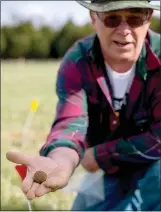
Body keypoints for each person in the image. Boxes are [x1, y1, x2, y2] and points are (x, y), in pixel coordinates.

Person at [6, 0, 161, 211]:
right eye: (112, 18)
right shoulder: (77, 62)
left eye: (135, 18)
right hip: (110, 171)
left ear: (149, 17)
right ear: (93, 18)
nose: (124, 30)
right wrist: (61, 162)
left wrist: (99, 155)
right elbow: (70, 124)